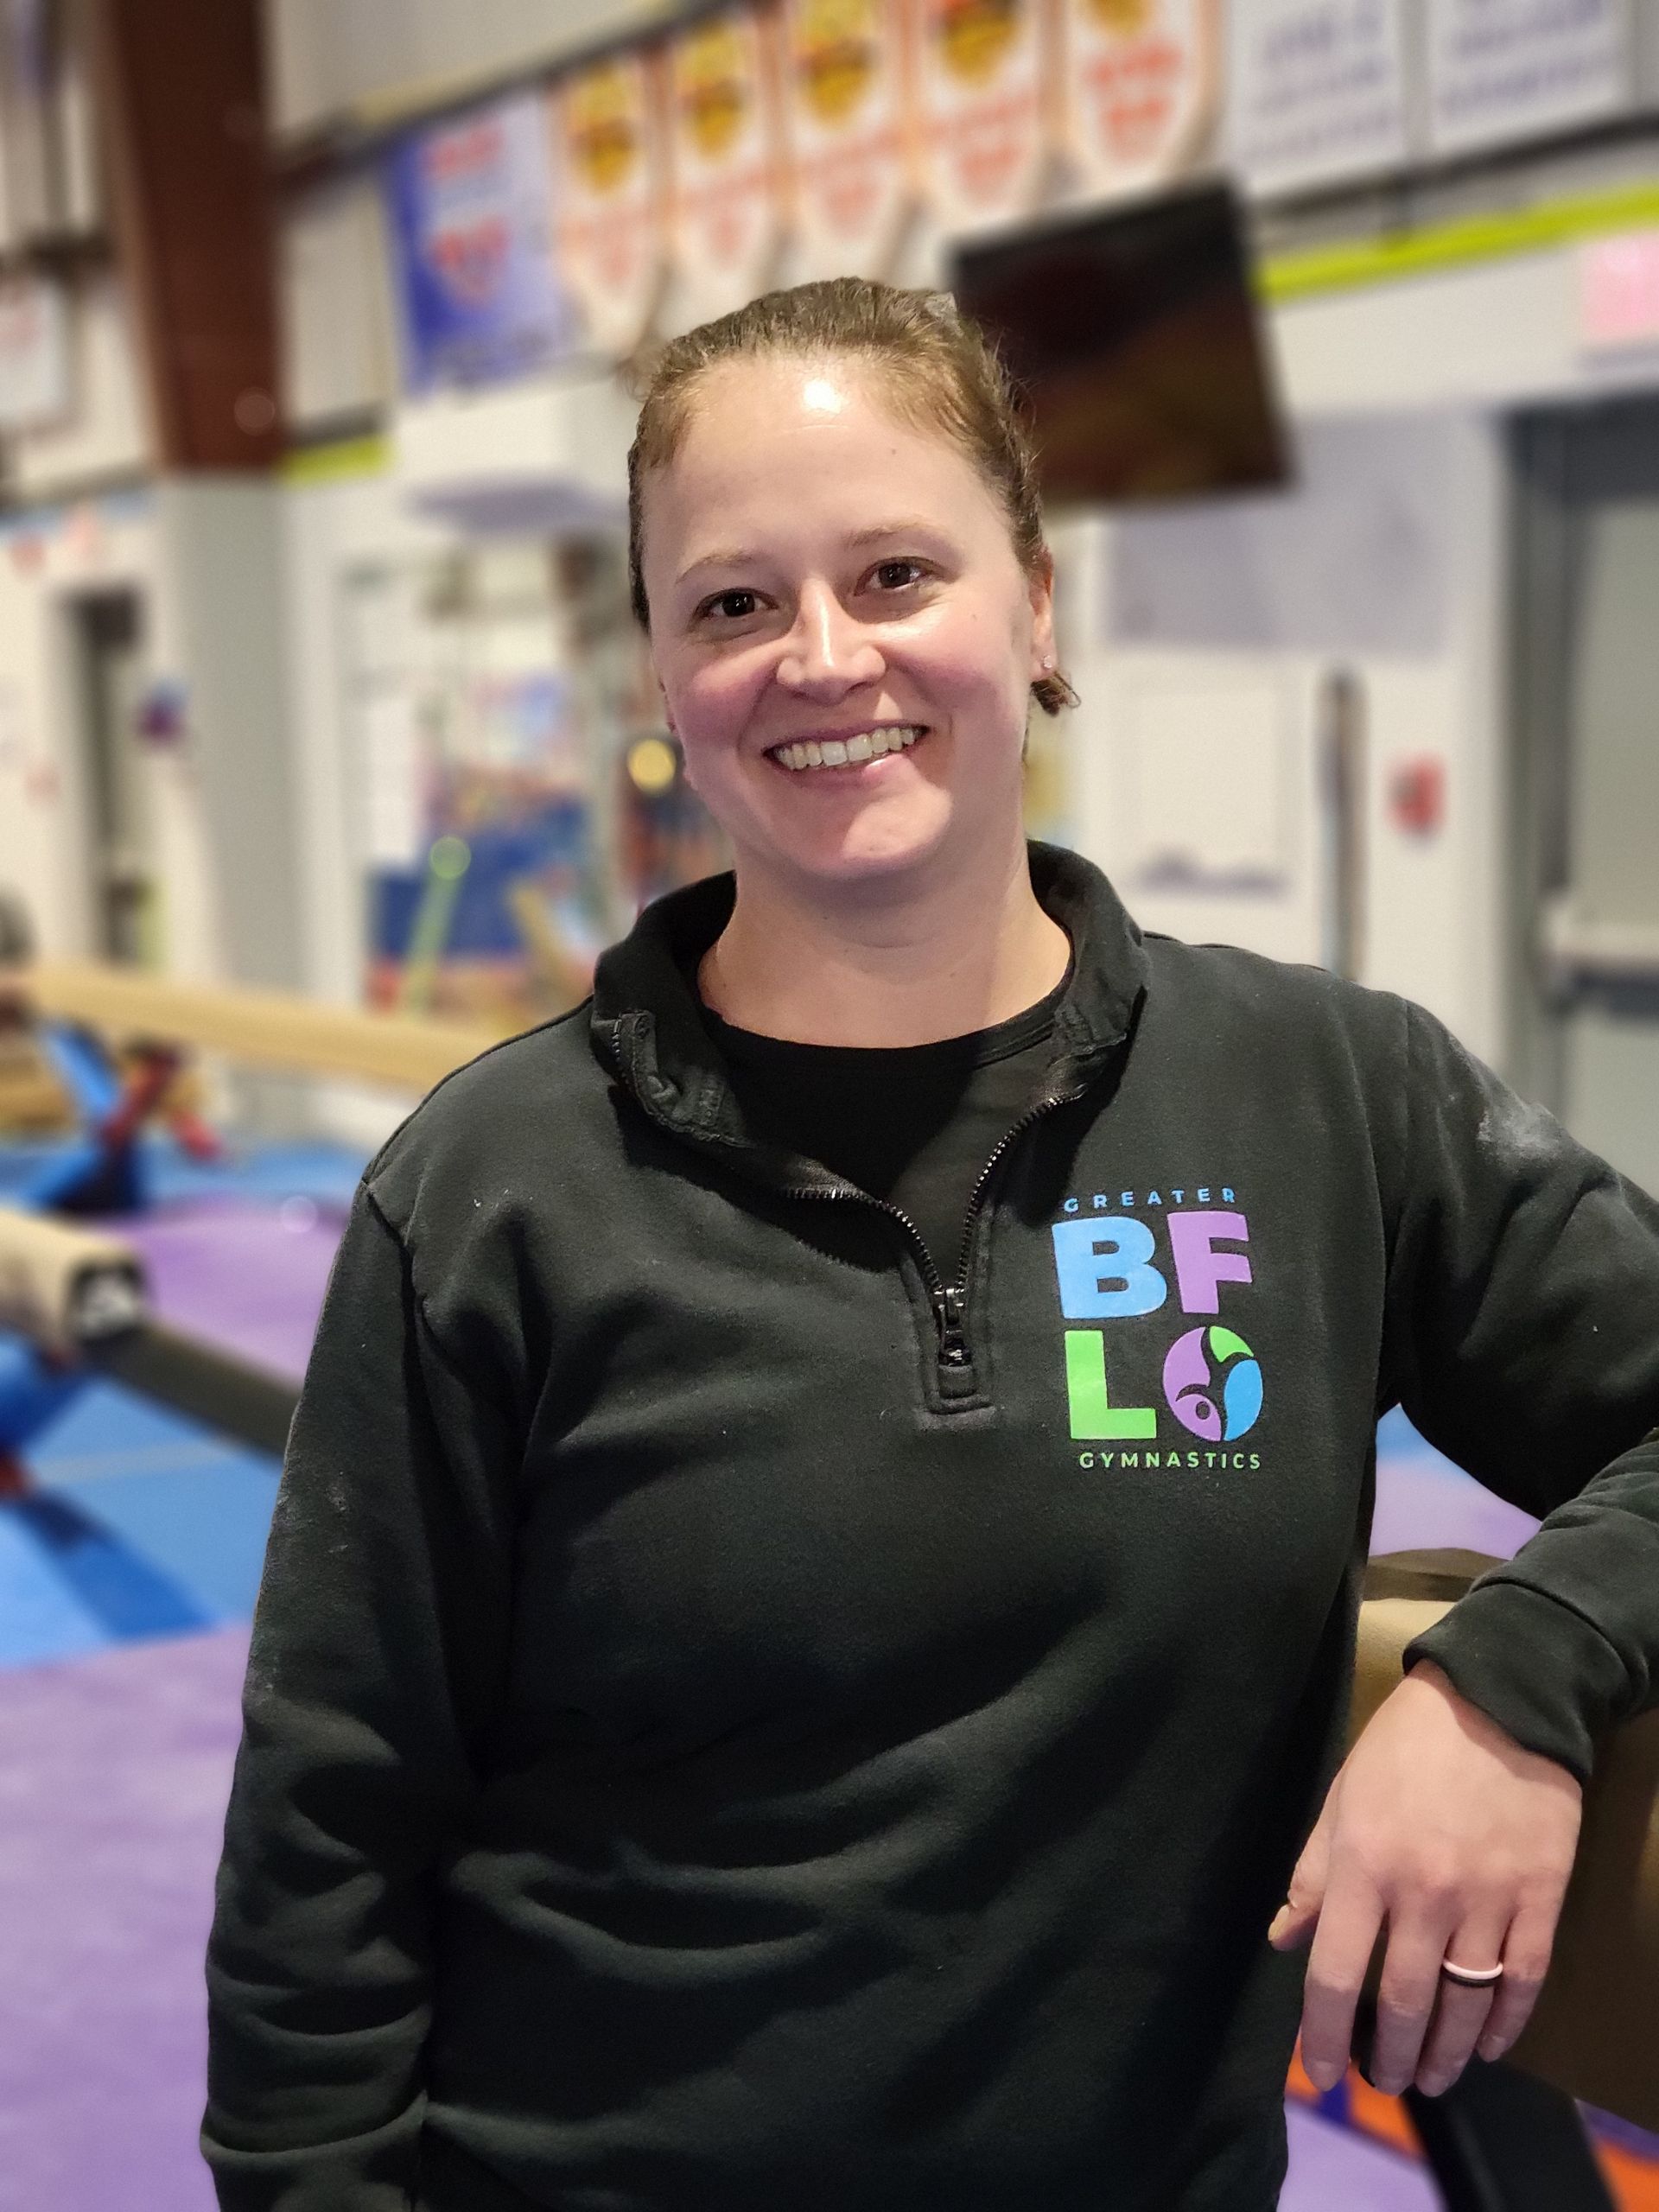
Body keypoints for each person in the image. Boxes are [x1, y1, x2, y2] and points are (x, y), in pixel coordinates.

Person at [203, 279, 1659, 2211]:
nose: (823, 657)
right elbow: (329, 1829)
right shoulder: (497, 1191)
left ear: (1036, 608)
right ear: (661, 672)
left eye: (896, 572)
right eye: (733, 602)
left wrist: (1516, 1680)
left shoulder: (1323, 1098)